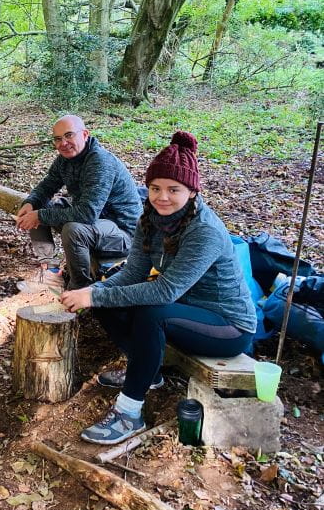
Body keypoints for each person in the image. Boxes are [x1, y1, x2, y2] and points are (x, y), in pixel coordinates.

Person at [60, 132, 256, 445]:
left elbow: (165, 292)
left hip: (226, 325)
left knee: (152, 313)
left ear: (192, 191)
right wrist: (95, 293)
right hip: (182, 309)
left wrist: (94, 293)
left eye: (173, 189)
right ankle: (149, 374)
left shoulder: (204, 230)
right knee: (106, 301)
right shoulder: (149, 220)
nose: (162, 197)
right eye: (155, 188)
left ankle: (129, 413)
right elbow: (133, 273)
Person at [16, 115, 142, 289]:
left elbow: (87, 214)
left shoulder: (100, 161)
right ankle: (52, 273)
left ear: (84, 134)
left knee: (73, 229)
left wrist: (39, 216)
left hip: (123, 234)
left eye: (69, 135)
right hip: (98, 223)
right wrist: (31, 203)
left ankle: (80, 288)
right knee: (40, 207)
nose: (63, 143)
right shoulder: (65, 160)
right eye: (58, 139)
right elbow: (46, 186)